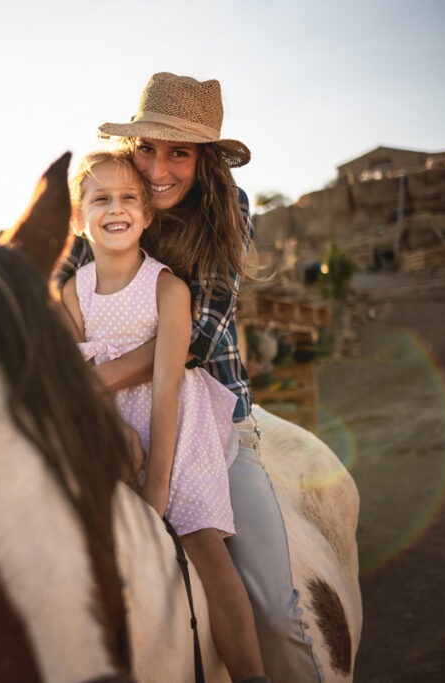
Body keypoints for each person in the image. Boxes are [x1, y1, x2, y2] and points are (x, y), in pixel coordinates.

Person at [56, 72, 325, 682]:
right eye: (146, 148)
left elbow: (192, 345)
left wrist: (89, 384)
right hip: (111, 421)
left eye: (178, 152)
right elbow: (67, 330)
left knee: (278, 609)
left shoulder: (228, 209)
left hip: (211, 421)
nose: (157, 169)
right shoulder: (109, 198)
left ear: (203, 159)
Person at [61, 149, 266, 683]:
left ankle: (252, 676)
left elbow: (171, 378)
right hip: (112, 428)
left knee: (202, 541)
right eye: (101, 199)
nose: (117, 207)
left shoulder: (167, 286)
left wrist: (156, 483)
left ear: (147, 216)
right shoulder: (72, 292)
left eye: (129, 199)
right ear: (77, 218)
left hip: (179, 424)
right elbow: (69, 364)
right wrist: (109, 427)